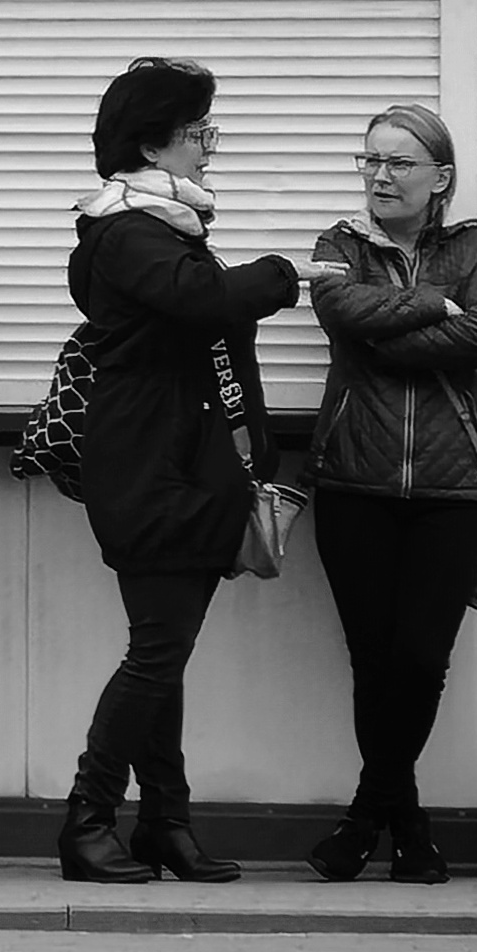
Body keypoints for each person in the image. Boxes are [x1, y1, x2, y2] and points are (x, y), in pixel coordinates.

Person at [56, 57, 332, 886]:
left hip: (177, 469)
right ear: (150, 145)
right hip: (150, 476)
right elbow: (201, 301)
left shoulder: (163, 227)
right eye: (195, 133)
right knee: (156, 653)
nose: (208, 148)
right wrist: (285, 274)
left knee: (161, 657)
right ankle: (86, 820)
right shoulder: (127, 234)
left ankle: (163, 825)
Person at [302, 103, 477, 885]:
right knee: (373, 659)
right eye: (370, 160)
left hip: (454, 488)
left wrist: (386, 333)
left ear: (440, 178)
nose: (379, 176)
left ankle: (369, 815)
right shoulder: (337, 247)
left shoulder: (476, 247)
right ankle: (408, 827)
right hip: (353, 479)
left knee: (420, 660)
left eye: (398, 163)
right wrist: (434, 306)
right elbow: (341, 312)